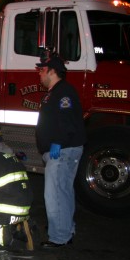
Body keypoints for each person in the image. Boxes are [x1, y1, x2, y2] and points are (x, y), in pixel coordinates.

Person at [35, 53, 86, 248]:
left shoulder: (63, 92)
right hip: (61, 150)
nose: (40, 74)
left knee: (55, 194)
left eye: (42, 70)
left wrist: (57, 142)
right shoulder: (56, 92)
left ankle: (58, 237)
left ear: (52, 71)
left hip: (62, 151)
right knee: (63, 193)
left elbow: (67, 122)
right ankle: (65, 230)